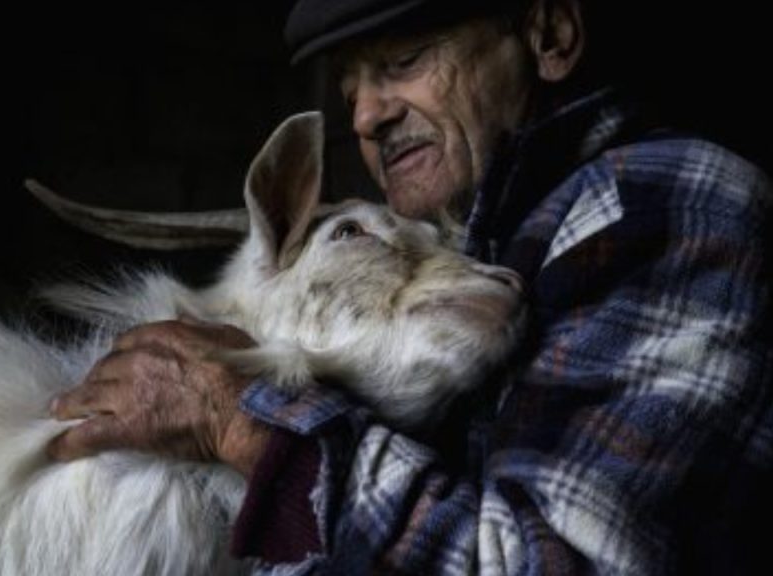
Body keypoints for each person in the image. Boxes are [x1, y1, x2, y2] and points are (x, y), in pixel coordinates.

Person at [46, 0, 772, 573]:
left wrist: (248, 430)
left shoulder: (661, 199)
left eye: (405, 60)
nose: (366, 115)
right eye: (352, 89)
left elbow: (556, 566)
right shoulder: (497, 251)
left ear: (548, 33)